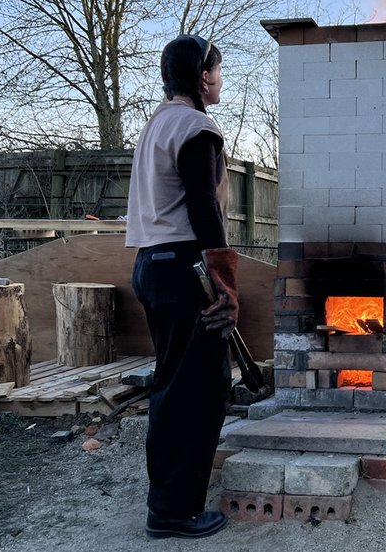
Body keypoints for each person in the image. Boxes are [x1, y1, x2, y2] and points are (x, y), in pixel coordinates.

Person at [125, 34, 237, 538]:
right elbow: (203, 209)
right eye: (214, 69)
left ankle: (170, 503)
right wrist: (225, 284)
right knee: (200, 390)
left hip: (153, 265)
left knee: (174, 386)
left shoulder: (155, 126)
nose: (218, 77)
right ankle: (174, 511)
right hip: (185, 267)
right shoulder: (197, 128)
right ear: (199, 75)